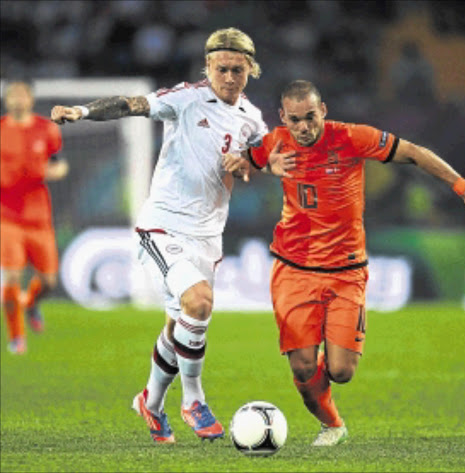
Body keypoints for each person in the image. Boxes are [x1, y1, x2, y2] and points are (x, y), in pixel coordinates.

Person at [223, 79, 465, 446]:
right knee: (304, 367)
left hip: (346, 271)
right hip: (293, 269)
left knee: (341, 371)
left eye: (310, 117)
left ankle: (318, 365)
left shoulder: (352, 138)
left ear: (322, 111)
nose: (304, 127)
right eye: (295, 120)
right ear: (283, 118)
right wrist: (259, 167)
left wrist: (463, 187)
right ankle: (332, 424)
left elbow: (414, 153)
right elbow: (241, 167)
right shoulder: (275, 142)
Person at [50, 28, 282, 445]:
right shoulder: (187, 98)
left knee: (182, 325)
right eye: (221, 68)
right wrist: (83, 112)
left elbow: (263, 159)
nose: (229, 76)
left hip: (209, 235)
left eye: (237, 70)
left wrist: (248, 161)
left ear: (250, 70)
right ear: (208, 66)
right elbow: (131, 105)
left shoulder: (251, 117)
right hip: (164, 225)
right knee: (200, 303)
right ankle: (193, 399)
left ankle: (150, 403)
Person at [1, 81, 69, 355]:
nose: (17, 99)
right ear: (7, 100)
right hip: (6, 216)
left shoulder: (46, 129)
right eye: (12, 95)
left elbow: (59, 162)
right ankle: (17, 336)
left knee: (49, 281)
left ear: (30, 99)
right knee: (12, 276)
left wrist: (55, 172)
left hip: (39, 216)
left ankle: (31, 302)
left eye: (21, 94)